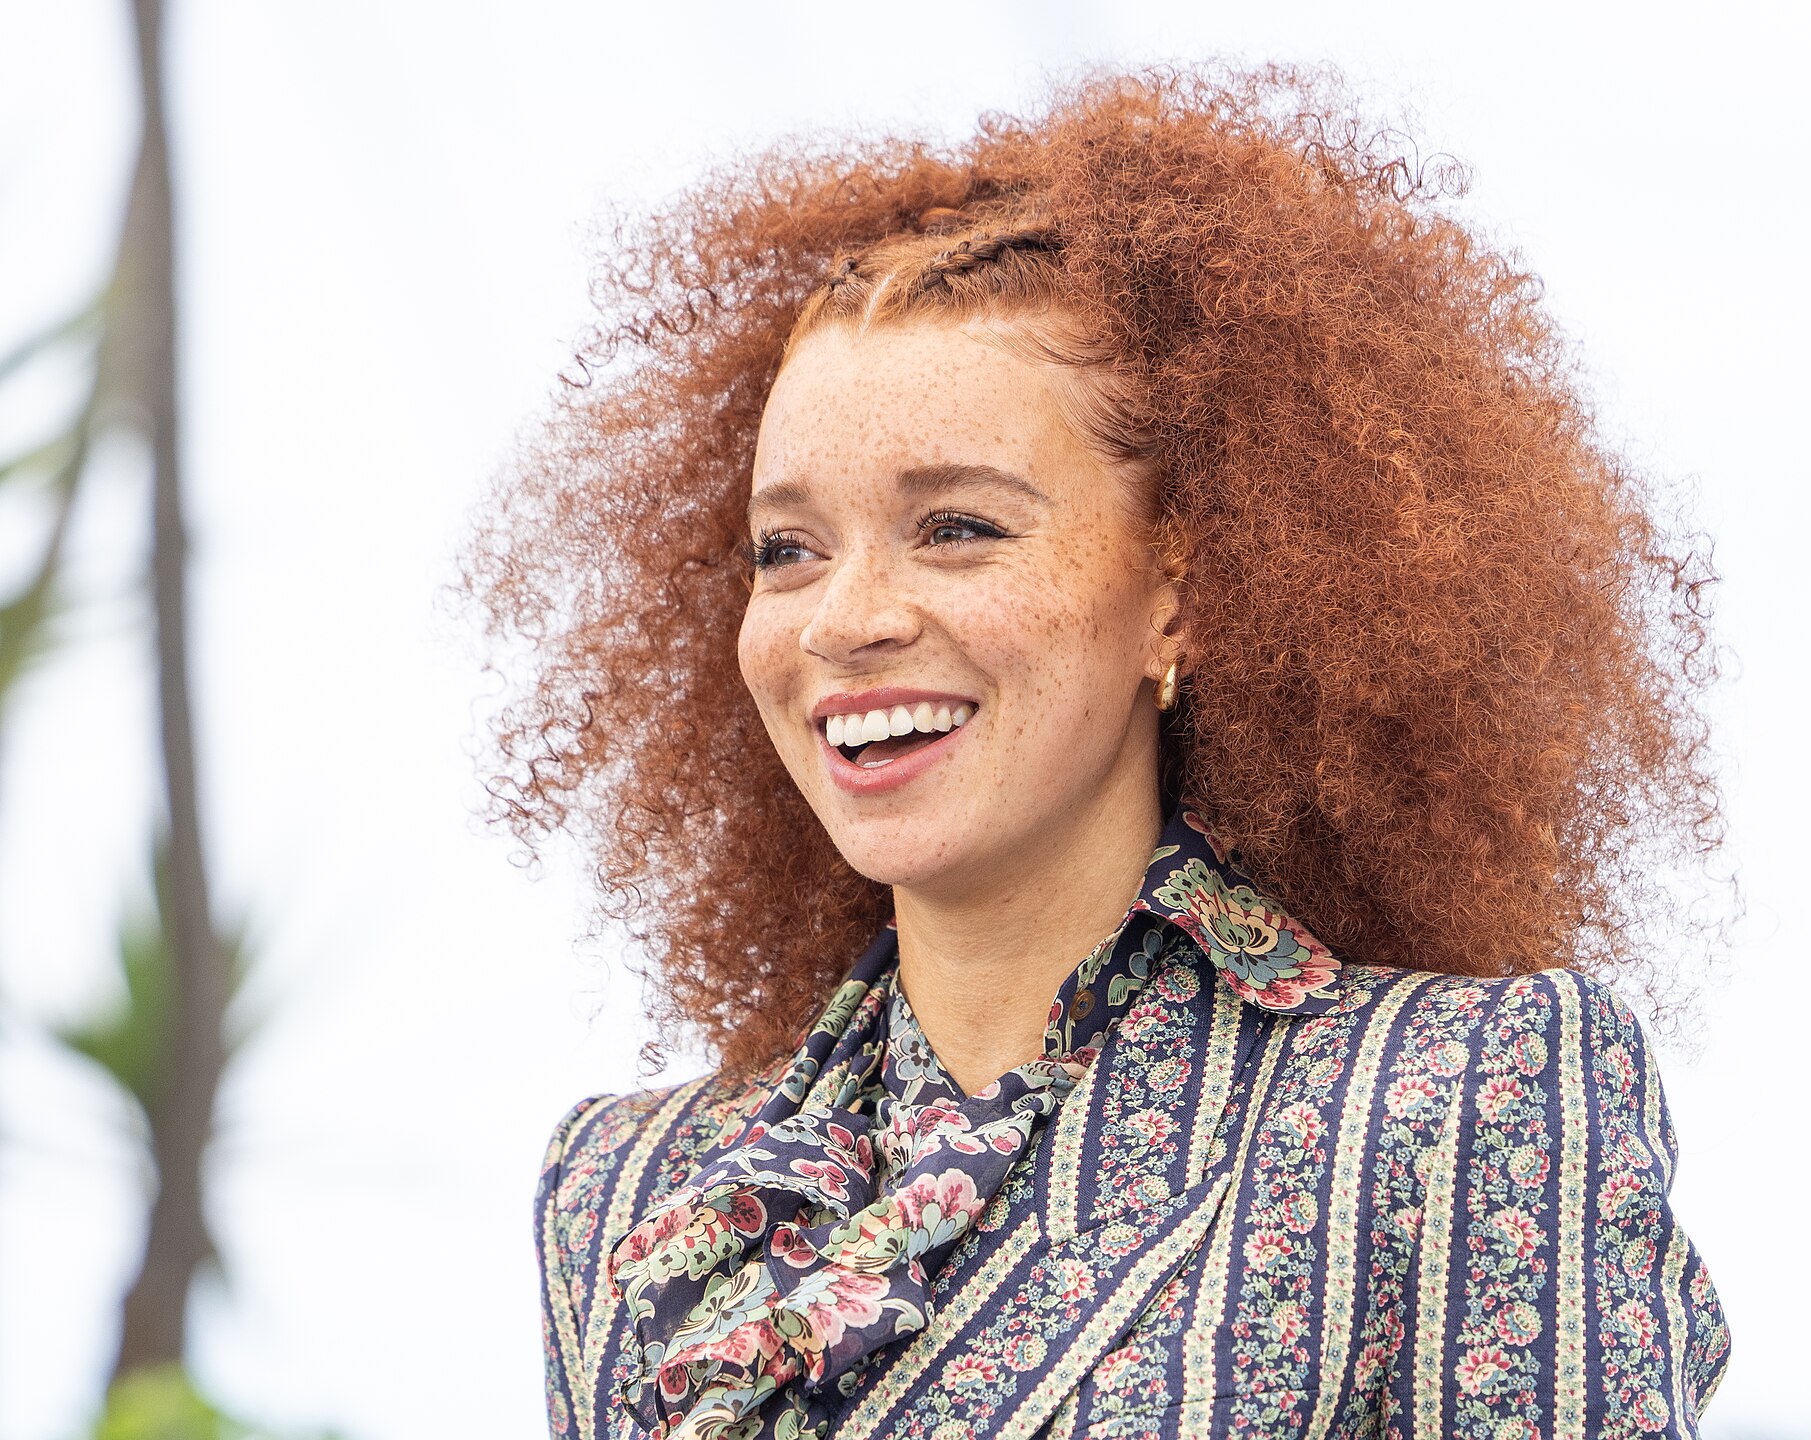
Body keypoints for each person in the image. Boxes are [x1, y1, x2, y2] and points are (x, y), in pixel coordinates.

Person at [463, 62, 1733, 1440]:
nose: (846, 621)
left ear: (1183, 594)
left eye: (958, 527)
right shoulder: (628, 1197)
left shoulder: (1460, 1104)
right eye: (787, 550)